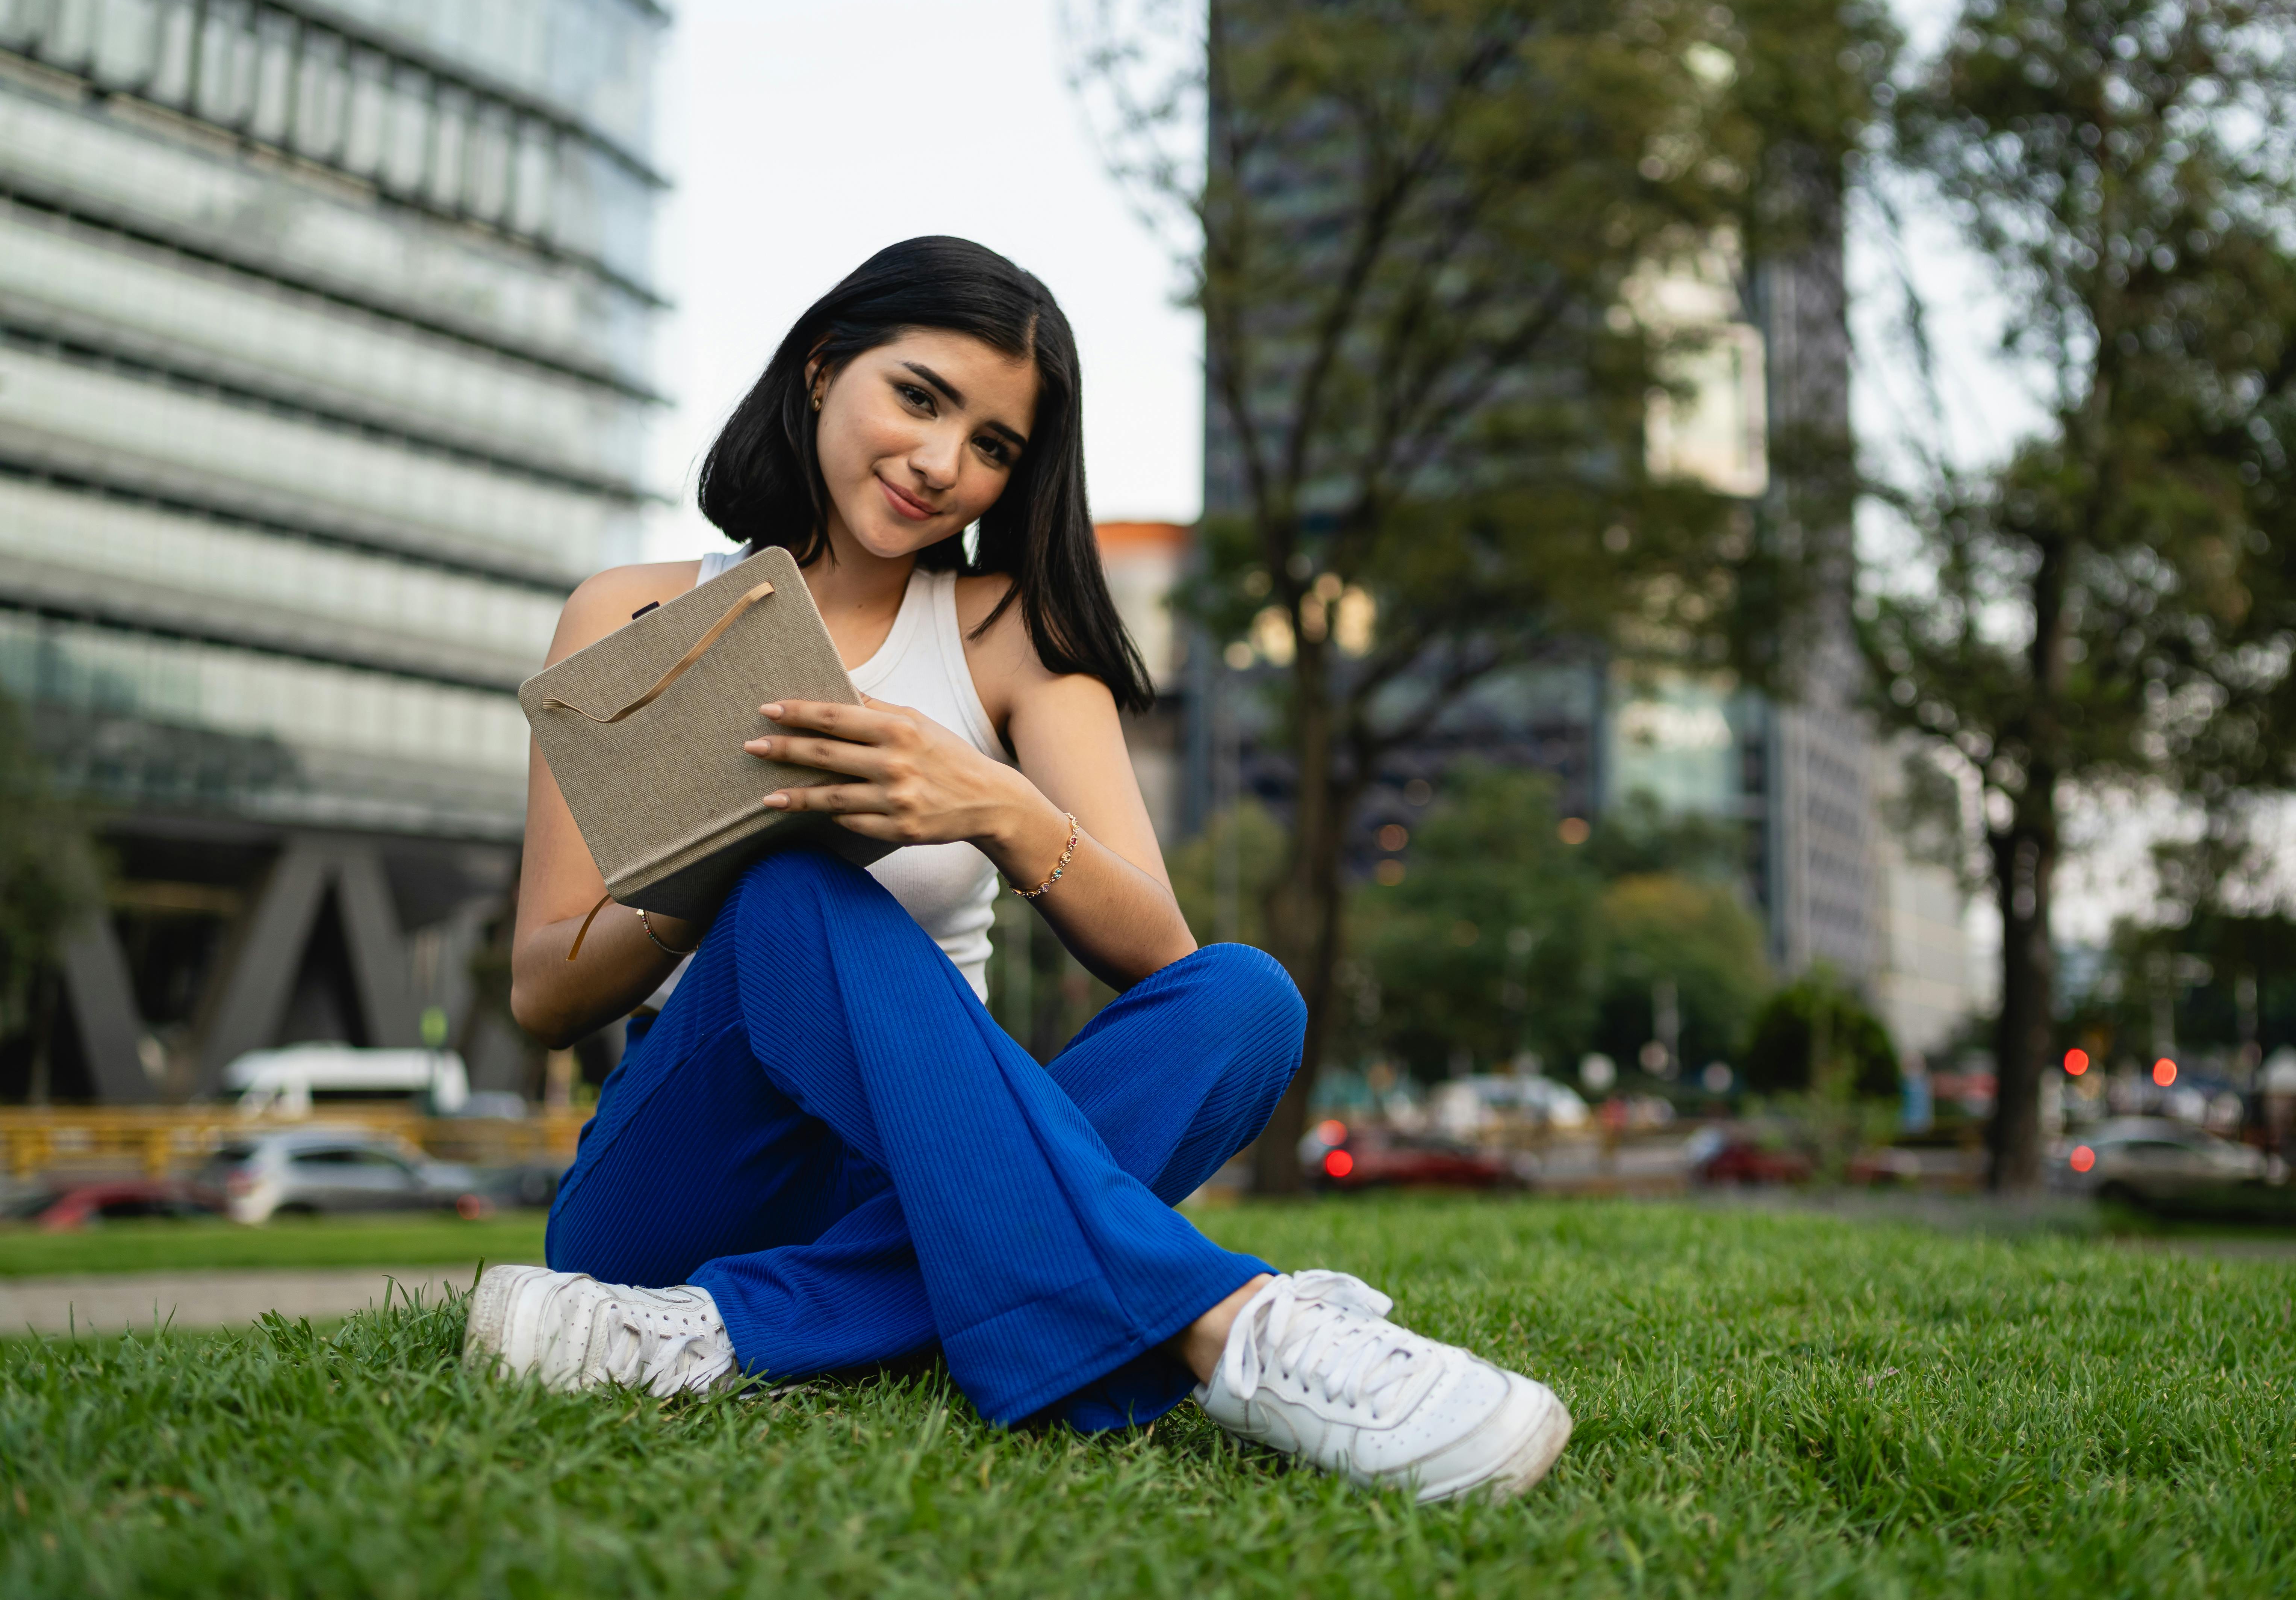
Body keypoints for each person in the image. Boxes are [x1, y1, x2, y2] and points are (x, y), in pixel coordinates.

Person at [465, 237, 1571, 1503]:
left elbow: (1161, 958)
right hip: (679, 1184)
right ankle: (1226, 1326)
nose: (944, 463)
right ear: (825, 370)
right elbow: (546, 993)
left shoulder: (1011, 637)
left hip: (920, 1167)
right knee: (788, 887)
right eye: (921, 397)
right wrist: (725, 851)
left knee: (1248, 998)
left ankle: (733, 1331)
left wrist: (990, 802)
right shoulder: (632, 613)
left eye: (995, 444)